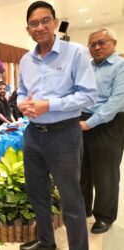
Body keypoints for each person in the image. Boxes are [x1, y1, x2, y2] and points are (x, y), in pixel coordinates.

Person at [17, 1, 97, 250]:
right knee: (37, 194)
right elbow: (21, 92)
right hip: (33, 135)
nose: (39, 27)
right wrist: (22, 104)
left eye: (45, 20)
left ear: (55, 22)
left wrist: (48, 105)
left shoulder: (76, 53)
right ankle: (46, 242)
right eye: (33, 23)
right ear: (28, 29)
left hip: (64, 135)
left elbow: (88, 96)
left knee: (71, 199)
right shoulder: (25, 60)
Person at [80, 28, 124, 234]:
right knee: (82, 170)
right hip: (81, 121)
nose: (96, 47)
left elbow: (117, 101)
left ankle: (105, 216)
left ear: (113, 43)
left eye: (101, 42)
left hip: (109, 123)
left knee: (105, 174)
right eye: (92, 44)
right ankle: (84, 209)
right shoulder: (86, 67)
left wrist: (90, 123)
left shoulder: (121, 66)